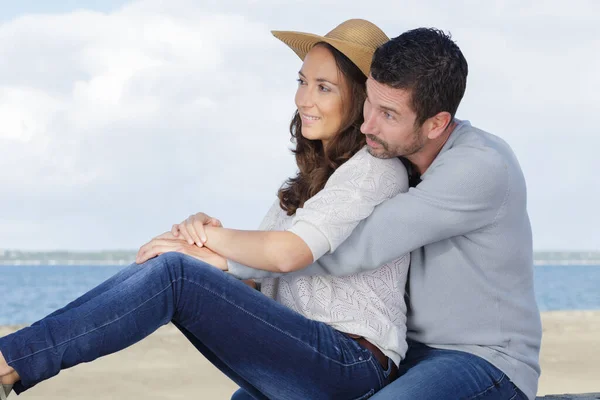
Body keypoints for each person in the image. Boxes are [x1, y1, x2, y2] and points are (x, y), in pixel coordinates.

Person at [0, 20, 412, 400]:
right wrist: (200, 248)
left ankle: (9, 361)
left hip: (352, 363)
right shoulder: (309, 181)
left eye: (325, 87)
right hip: (304, 346)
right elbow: (258, 279)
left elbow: (287, 253)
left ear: (362, 100)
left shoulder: (376, 171)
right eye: (302, 81)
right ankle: (11, 361)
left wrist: (201, 246)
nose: (304, 98)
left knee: (175, 273)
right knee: (173, 265)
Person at [226, 27, 543, 400]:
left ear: (437, 123)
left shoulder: (478, 168)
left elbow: (356, 249)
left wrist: (227, 257)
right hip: (410, 359)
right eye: (370, 104)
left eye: (388, 114)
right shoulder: (393, 160)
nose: (367, 125)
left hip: (485, 361)